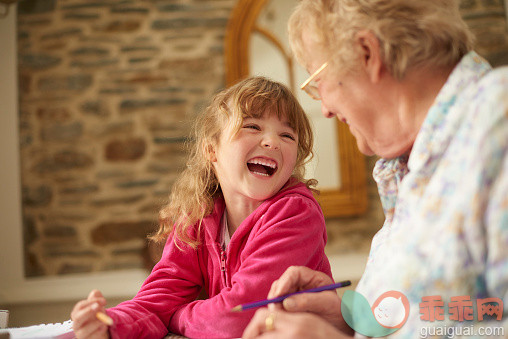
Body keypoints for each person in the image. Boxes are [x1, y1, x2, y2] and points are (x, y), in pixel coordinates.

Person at [243, 0, 508, 337]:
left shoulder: (498, 116)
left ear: (367, 53)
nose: (323, 108)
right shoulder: (409, 169)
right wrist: (349, 319)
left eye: (317, 80)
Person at [70, 76, 333, 338]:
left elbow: (241, 317)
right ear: (211, 149)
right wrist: (109, 325)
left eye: (287, 135)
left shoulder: (297, 213)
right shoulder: (198, 215)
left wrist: (176, 315)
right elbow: (158, 299)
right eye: (252, 126)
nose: (272, 141)